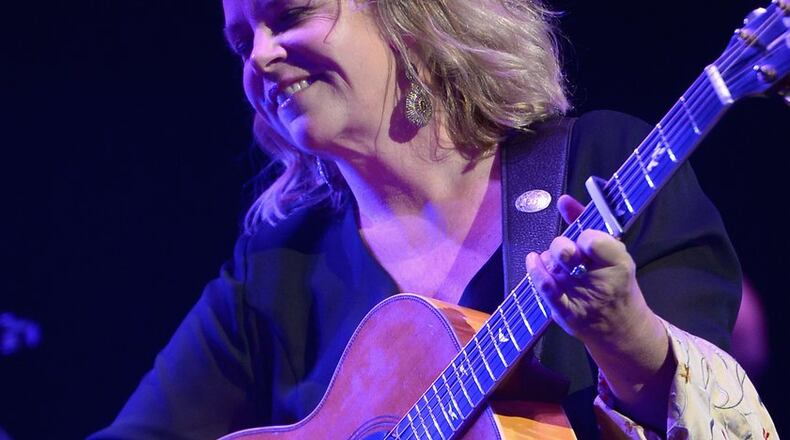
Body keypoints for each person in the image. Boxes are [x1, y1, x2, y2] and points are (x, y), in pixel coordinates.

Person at [91, 0, 777, 438]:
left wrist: (626, 338)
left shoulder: (599, 165)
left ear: (408, 16)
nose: (261, 55)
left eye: (289, 15)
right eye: (243, 41)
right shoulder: (277, 268)